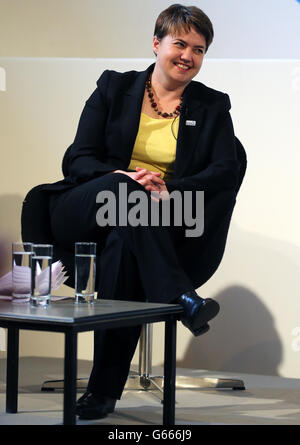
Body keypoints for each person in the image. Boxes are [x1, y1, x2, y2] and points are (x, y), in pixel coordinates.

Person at [43, 4, 243, 420]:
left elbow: (225, 168)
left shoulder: (212, 106)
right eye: (180, 43)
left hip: (155, 218)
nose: (189, 55)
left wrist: (169, 187)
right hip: (87, 209)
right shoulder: (114, 88)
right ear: (157, 43)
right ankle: (181, 297)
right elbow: (77, 158)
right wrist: (126, 176)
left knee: (126, 239)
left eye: (200, 49)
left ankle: (102, 392)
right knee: (123, 192)